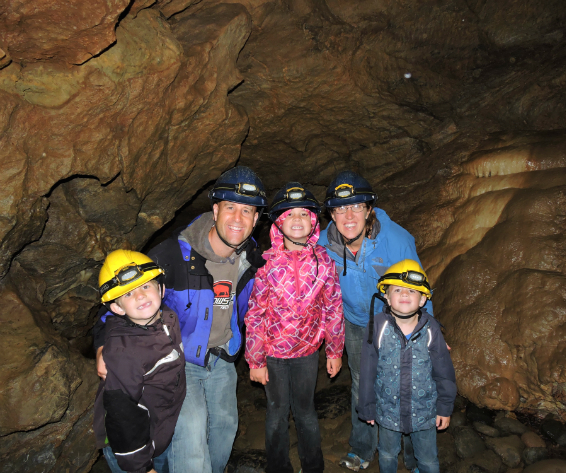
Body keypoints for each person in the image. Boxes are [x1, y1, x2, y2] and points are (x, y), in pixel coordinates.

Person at [93, 166, 268, 473]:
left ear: (256, 219)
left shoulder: (252, 256)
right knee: (191, 434)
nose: (238, 219)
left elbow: (257, 306)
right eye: (230, 208)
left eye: (248, 211)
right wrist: (100, 345)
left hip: (224, 358)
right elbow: (119, 300)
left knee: (225, 430)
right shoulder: (173, 255)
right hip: (181, 358)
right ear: (215, 210)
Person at [318, 170, 434, 471]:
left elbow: (420, 286)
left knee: (406, 383)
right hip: (356, 324)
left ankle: (413, 456)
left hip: (398, 323)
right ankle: (362, 447)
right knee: (362, 382)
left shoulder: (394, 240)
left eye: (356, 206)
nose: (349, 215)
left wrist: (430, 335)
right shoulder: (322, 245)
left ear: (369, 209)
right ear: (332, 213)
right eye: (341, 208)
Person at [245, 182, 345, 473]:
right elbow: (255, 314)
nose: (297, 220)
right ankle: (279, 467)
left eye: (303, 214)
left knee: (305, 412)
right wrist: (255, 359)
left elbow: (333, 308)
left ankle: (313, 467)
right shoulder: (266, 264)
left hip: (307, 353)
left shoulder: (324, 261)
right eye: (289, 214)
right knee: (276, 413)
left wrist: (334, 351)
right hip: (273, 355)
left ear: (313, 220)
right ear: (278, 222)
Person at [358, 260, 456, 473]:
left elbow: (444, 372)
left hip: (424, 412)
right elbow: (366, 371)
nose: (404, 295)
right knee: (386, 454)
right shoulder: (377, 327)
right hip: (387, 411)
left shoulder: (432, 330)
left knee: (428, 460)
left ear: (422, 300)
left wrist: (444, 407)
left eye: (412, 291)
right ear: (386, 296)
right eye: (398, 290)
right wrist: (367, 406)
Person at [93, 249, 186, 473]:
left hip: (157, 430)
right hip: (131, 447)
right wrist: (141, 467)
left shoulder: (166, 317)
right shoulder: (124, 353)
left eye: (146, 286)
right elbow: (122, 414)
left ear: (161, 289)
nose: (140, 295)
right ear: (116, 308)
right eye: (128, 294)